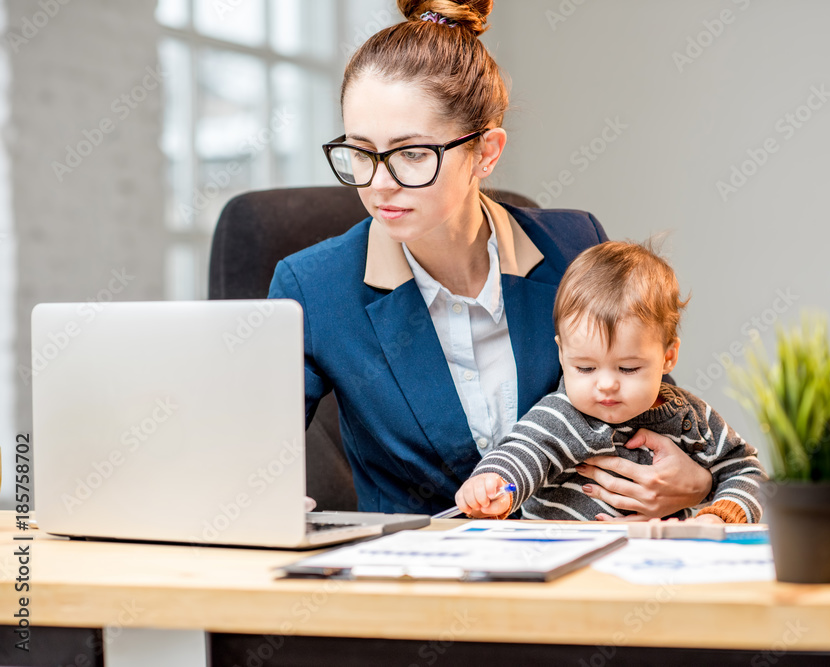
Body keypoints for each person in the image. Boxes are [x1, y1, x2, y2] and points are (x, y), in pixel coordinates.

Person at [268, 0, 712, 517]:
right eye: (361, 152)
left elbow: (656, 406)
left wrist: (697, 479)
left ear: (486, 151)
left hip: (579, 558)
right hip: (412, 577)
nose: (379, 183)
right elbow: (245, 458)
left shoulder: (572, 246)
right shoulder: (314, 286)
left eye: (412, 154)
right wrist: (257, 498)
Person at [455, 242, 767, 522]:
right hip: (565, 567)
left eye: (628, 368)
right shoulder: (562, 415)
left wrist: (719, 517)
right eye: (586, 368)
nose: (606, 384)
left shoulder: (691, 419)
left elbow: (746, 470)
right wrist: (492, 483)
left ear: (669, 357)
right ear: (562, 355)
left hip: (658, 567)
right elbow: (523, 452)